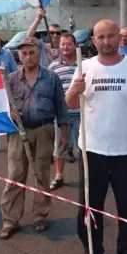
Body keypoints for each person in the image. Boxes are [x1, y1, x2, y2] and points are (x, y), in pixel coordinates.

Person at [66, 19, 127, 254]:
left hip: (125, 150)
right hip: (91, 150)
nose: (106, 42)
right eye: (101, 37)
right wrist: (74, 90)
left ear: (120, 37)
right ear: (94, 40)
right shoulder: (85, 67)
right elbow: (71, 103)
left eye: (111, 36)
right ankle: (92, 250)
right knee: (89, 205)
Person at [0, 37, 69, 239]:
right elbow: (1, 105)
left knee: (41, 175)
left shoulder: (51, 78)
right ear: (19, 56)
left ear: (39, 54)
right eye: (24, 53)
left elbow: (61, 107)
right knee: (15, 176)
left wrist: (64, 133)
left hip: (44, 130)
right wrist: (8, 113)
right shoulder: (11, 79)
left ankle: (40, 216)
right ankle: (10, 220)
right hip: (18, 133)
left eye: (32, 53)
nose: (28, 57)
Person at [49, 32, 81, 190]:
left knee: (83, 148)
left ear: (75, 45)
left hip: (82, 115)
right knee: (59, 147)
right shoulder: (53, 66)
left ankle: (86, 176)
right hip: (61, 116)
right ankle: (59, 176)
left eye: (69, 44)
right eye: (63, 44)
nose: (65, 47)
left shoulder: (84, 64)